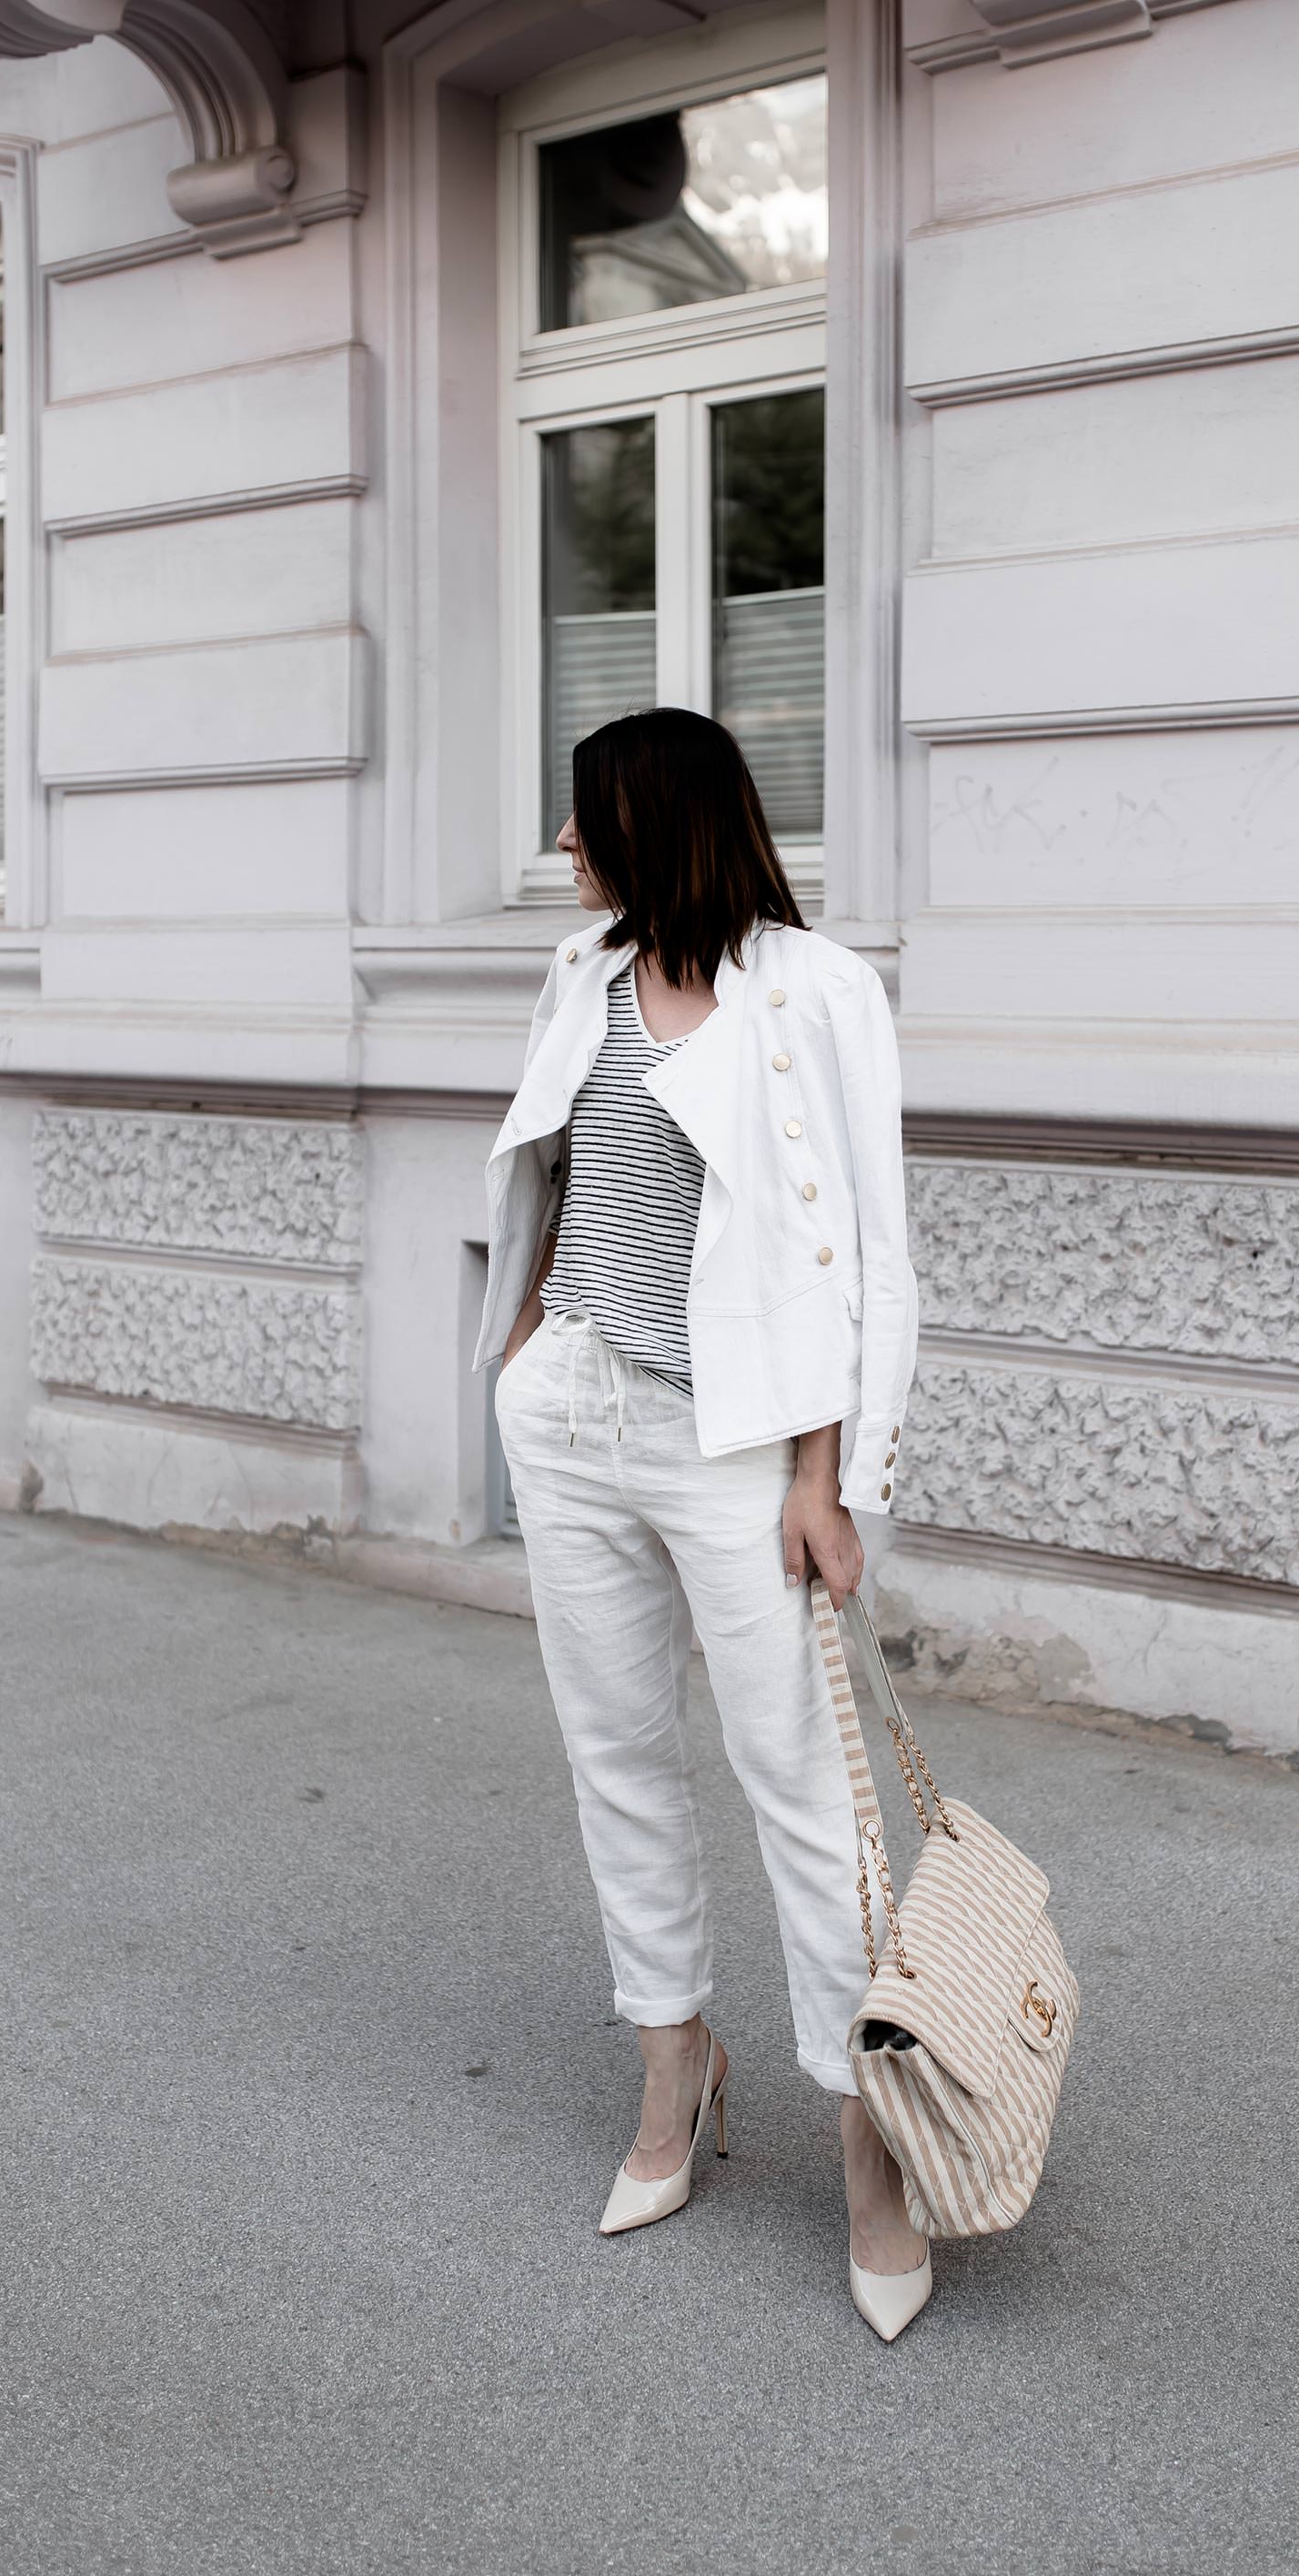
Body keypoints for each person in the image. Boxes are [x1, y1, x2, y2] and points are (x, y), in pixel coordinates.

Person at [473, 708, 931, 2340]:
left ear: (656, 820)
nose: (569, 851)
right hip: (575, 1416)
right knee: (618, 1757)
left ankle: (873, 2145)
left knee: (806, 1792)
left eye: (586, 821)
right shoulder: (584, 972)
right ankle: (675, 2073)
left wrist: (831, 1477)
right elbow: (561, 1172)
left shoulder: (817, 994)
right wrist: (530, 1345)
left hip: (735, 1449)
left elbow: (863, 1258)